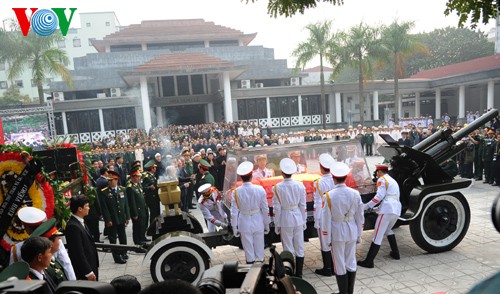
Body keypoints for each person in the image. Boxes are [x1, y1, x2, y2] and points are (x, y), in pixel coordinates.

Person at [321, 161, 364, 294]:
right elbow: (360, 216)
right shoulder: (355, 194)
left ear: (333, 178)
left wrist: (326, 239)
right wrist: (359, 234)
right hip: (351, 229)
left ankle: (343, 292)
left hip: (337, 231)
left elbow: (326, 220)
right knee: (351, 261)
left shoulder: (328, 196)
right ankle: (349, 292)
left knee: (339, 263)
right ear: (345, 177)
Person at [358, 164, 402, 268]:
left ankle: (369, 261)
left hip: (387, 210)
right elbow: (390, 197)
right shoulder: (392, 180)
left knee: (377, 235)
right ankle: (395, 253)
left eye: (377, 173)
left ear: (379, 172)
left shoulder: (382, 179)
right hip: (396, 209)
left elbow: (379, 197)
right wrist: (375, 209)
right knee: (388, 230)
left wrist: (366, 206)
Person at [230, 161, 271, 264]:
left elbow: (234, 212)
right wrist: (267, 223)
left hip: (244, 221)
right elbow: (265, 209)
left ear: (240, 177)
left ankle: (250, 273)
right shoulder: (260, 189)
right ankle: (261, 272)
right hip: (258, 220)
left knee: (248, 250)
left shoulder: (236, 192)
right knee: (259, 249)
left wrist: (234, 226)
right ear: (252, 175)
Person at [272, 158, 307, 278]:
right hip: (297, 216)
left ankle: (290, 273)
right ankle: (299, 274)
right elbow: (303, 205)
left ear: (282, 172)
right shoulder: (300, 185)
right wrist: (304, 219)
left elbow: (277, 209)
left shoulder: (277, 187)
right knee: (299, 246)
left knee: (288, 247)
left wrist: (277, 223)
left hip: (285, 218)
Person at [99, 170, 131, 264]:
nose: (109, 182)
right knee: (113, 238)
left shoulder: (122, 190)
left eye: (111, 180)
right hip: (112, 219)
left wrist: (127, 216)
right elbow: (104, 208)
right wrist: (107, 220)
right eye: (108, 180)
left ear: (116, 180)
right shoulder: (104, 192)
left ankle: (123, 252)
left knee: (122, 236)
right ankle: (117, 257)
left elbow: (126, 205)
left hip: (121, 217)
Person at [65, 195, 99, 281]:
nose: (89, 208)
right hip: (85, 271)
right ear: (80, 209)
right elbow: (78, 252)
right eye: (87, 206)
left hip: (91, 264)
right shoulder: (73, 226)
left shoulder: (80, 221)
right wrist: (88, 272)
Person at [313, 153, 335, 277]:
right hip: (335, 214)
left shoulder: (319, 182)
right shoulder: (335, 178)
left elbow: (317, 202)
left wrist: (316, 219)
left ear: (321, 168)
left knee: (324, 242)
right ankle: (335, 266)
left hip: (323, 215)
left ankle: (327, 268)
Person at [30, 219, 68, 285]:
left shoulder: (52, 260)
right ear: (50, 243)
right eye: (57, 238)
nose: (60, 239)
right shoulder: (44, 265)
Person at [127, 166, 149, 245]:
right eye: (138, 176)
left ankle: (142, 237)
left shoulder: (138, 185)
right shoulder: (130, 187)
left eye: (139, 176)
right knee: (137, 227)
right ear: (133, 177)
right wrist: (134, 213)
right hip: (137, 210)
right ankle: (137, 241)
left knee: (143, 225)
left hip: (143, 208)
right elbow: (132, 202)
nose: (139, 178)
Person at [142, 160, 160, 225]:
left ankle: (157, 225)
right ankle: (153, 226)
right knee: (153, 213)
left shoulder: (152, 175)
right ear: (151, 168)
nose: (155, 169)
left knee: (157, 212)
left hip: (155, 196)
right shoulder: (146, 176)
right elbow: (142, 187)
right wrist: (149, 187)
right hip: (150, 197)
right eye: (154, 167)